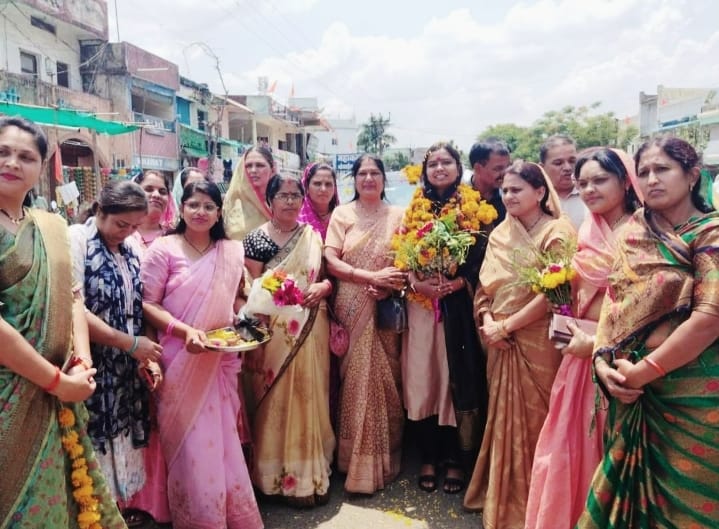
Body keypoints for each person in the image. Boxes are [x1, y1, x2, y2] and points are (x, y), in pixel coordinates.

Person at [577, 136, 719, 528]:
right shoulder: (635, 231)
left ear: (692, 176)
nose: (652, 179)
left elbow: (710, 316)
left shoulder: (711, 232)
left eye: (663, 169)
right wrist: (602, 359)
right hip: (632, 391)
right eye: (644, 172)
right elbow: (615, 301)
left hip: (693, 395)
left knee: (690, 502)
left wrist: (645, 371)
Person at [0, 116, 126, 528]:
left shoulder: (50, 226)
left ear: (41, 166)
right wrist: (56, 381)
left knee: (56, 499)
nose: (13, 163)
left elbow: (72, 296)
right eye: (3, 152)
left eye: (26, 156)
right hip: (10, 396)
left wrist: (81, 363)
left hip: (57, 393)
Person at [524, 148, 643, 529]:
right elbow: (573, 290)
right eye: (583, 183)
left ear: (626, 181)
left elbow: (646, 307)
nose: (589, 189)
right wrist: (564, 319)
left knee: (609, 448)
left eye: (600, 180)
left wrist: (597, 345)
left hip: (620, 355)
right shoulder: (587, 229)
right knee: (567, 447)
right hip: (578, 356)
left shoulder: (643, 231)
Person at [141, 180, 263, 529]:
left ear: (219, 212)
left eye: (209, 206)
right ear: (180, 208)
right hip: (179, 358)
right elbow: (148, 303)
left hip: (218, 357)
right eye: (194, 204)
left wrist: (244, 320)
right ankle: (199, 518)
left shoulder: (230, 251)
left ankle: (227, 513)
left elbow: (237, 299)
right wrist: (183, 331)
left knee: (221, 441)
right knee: (192, 446)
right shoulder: (164, 249)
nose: (201, 212)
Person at [463, 161, 576, 529]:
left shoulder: (557, 232)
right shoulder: (499, 234)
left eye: (516, 190)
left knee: (539, 420)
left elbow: (555, 291)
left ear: (540, 192)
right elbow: (485, 289)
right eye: (504, 190)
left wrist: (508, 324)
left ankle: (539, 500)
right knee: (504, 417)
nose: (508, 196)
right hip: (498, 340)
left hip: (539, 340)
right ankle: (505, 498)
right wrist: (488, 322)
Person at [397, 142, 493, 496]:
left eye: (446, 162)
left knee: (454, 380)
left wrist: (458, 282)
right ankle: (428, 455)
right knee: (423, 380)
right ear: (425, 170)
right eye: (433, 163)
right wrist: (417, 281)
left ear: (458, 166)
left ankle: (454, 457)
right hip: (422, 309)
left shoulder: (474, 208)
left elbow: (482, 254)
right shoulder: (414, 207)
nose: (439, 168)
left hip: (457, 311)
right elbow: (403, 254)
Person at [68, 180, 164, 519]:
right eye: (121, 224)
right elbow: (74, 308)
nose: (126, 232)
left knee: (122, 436)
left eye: (134, 226)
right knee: (95, 441)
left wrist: (145, 356)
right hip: (93, 363)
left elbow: (138, 305)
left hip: (126, 365)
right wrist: (129, 344)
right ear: (100, 211)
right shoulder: (77, 240)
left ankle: (118, 512)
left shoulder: (132, 247)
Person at [242, 173, 336, 507]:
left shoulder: (311, 236)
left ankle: (309, 476)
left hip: (311, 326)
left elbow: (325, 279)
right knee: (274, 400)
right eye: (282, 195)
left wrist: (323, 288)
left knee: (309, 396)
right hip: (274, 334)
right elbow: (248, 290)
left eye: (296, 195)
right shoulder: (255, 240)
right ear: (268, 201)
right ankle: (272, 478)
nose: (290, 201)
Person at [325, 154, 407, 494]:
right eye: (362, 173)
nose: (369, 178)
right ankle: (352, 462)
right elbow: (330, 259)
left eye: (375, 173)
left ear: (384, 179)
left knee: (387, 376)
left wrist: (388, 284)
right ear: (354, 180)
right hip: (351, 301)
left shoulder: (398, 215)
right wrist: (366, 276)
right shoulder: (342, 214)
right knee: (356, 378)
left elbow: (407, 261)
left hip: (385, 303)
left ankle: (384, 458)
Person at [298, 162, 342, 427]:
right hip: (308, 304)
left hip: (345, 300)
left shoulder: (344, 217)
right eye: (317, 183)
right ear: (307, 185)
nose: (323, 189)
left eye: (329, 183)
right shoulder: (297, 221)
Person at [223, 145, 276, 240]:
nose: (253, 170)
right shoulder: (232, 198)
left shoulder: (281, 199)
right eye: (248, 166)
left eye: (260, 165)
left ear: (272, 169)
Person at [540, 134, 587, 229]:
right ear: (542, 168)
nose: (568, 168)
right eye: (558, 163)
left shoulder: (591, 195)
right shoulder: (535, 199)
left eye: (572, 161)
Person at [131, 170, 176, 255]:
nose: (156, 195)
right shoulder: (123, 234)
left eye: (162, 192)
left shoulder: (175, 236)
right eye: (148, 189)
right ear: (134, 194)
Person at [468, 139, 511, 225]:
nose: (505, 173)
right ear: (478, 168)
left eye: (508, 167)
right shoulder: (458, 198)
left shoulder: (509, 199)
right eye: (498, 168)